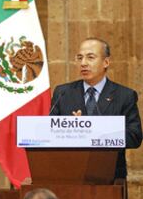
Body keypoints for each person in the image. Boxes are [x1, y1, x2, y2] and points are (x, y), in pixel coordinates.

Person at [50, 38, 142, 178]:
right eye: (79, 58)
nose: (83, 63)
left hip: (109, 176)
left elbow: (134, 137)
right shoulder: (63, 93)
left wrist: (91, 128)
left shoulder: (124, 95)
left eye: (90, 57)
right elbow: (49, 132)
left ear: (106, 62)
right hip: (70, 175)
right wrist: (69, 128)